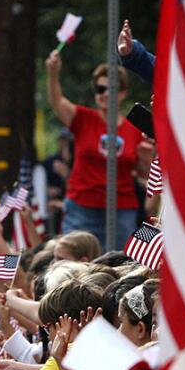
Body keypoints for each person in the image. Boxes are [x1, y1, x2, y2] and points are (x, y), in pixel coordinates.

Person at [44, 49, 147, 251]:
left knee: (119, 266)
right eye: (101, 89)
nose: (106, 93)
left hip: (121, 210)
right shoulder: (83, 119)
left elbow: (145, 174)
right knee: (73, 262)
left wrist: (146, 159)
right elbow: (57, 101)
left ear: (123, 93)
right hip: (81, 208)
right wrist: (53, 73)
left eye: (113, 89)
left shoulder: (134, 130)